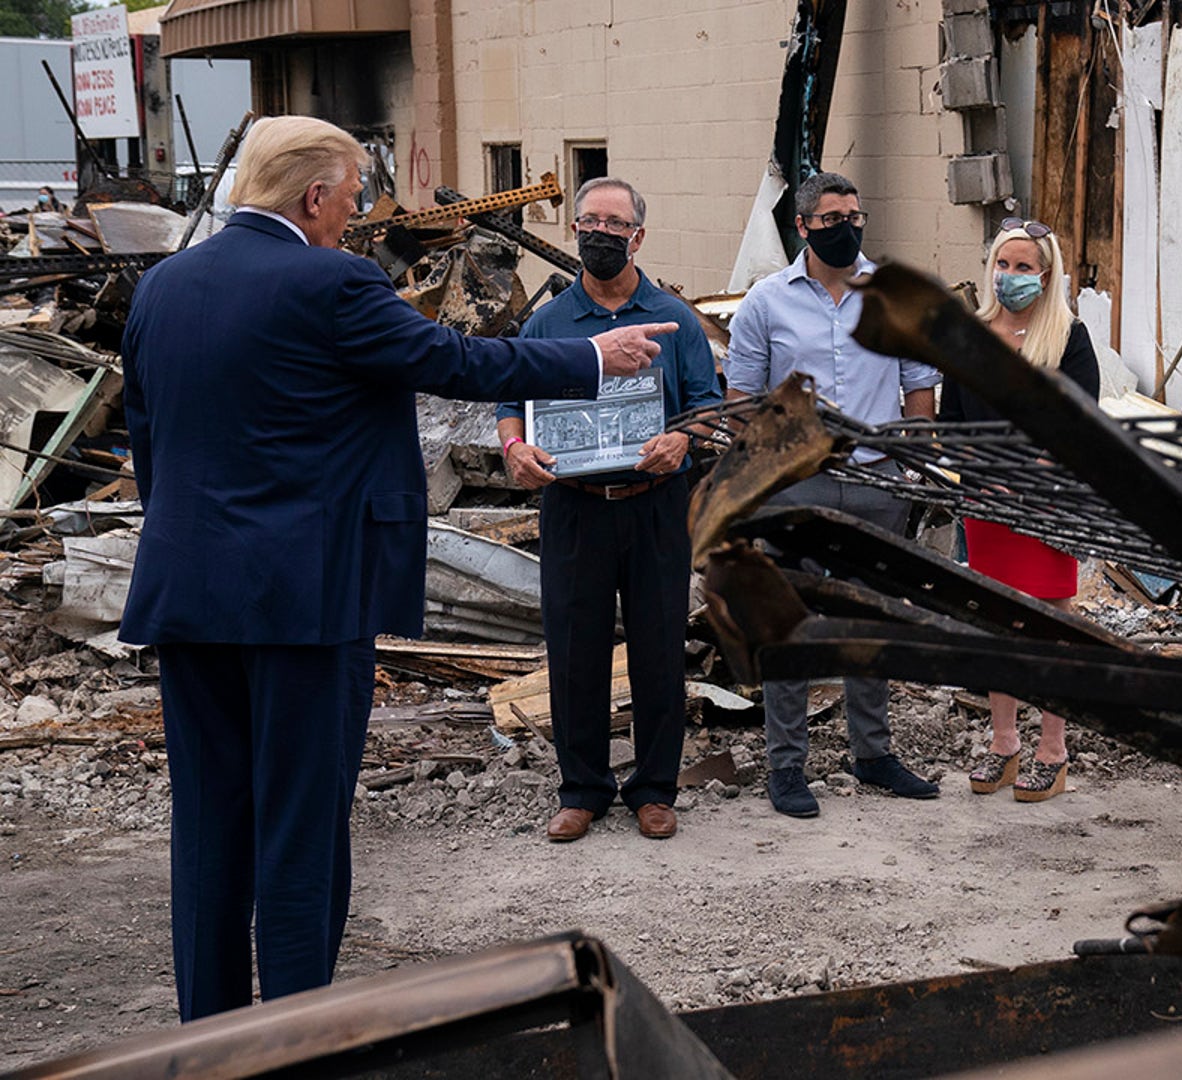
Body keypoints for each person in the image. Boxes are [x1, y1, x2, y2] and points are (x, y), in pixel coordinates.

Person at [118, 116, 673, 1021]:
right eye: (352, 196)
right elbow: (453, 360)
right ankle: (298, 1036)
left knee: (210, 831)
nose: (358, 213)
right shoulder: (331, 280)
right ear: (313, 197)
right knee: (299, 832)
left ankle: (207, 1038)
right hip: (304, 602)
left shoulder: (163, 287)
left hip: (189, 596)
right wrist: (589, 357)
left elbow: (152, 446)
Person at [496, 178, 723, 845]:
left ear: (638, 237)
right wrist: (514, 446)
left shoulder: (675, 319)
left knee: (658, 649)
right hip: (575, 506)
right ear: (574, 233)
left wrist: (683, 437)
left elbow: (708, 406)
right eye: (588, 221)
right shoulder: (547, 323)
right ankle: (583, 789)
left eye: (614, 224)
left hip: (656, 504)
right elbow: (510, 399)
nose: (600, 233)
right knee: (575, 651)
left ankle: (654, 789)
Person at [724, 171, 942, 818]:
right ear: (803, 227)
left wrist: (913, 467)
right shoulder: (766, 302)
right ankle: (786, 765)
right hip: (795, 488)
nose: (847, 226)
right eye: (832, 218)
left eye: (855, 214)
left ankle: (872, 752)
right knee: (787, 624)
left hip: (876, 484)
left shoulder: (890, 296)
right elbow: (742, 403)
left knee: (868, 623)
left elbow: (920, 397)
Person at [939, 218, 1100, 803]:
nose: (1011, 276)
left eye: (1024, 267)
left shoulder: (1067, 337)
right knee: (996, 622)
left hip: (1047, 506)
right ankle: (1003, 742)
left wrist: (1031, 478)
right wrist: (985, 475)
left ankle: (1052, 750)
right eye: (1003, 265)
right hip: (987, 506)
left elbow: (1080, 425)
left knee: (1053, 625)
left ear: (1047, 273)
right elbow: (950, 424)